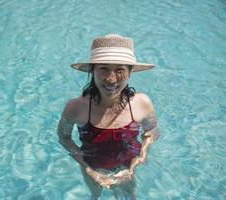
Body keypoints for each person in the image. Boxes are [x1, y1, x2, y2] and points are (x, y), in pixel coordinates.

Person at [57, 34, 160, 199]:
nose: (111, 79)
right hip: (92, 166)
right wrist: (89, 170)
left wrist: (138, 161)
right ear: (92, 71)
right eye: (103, 68)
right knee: (95, 196)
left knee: (129, 196)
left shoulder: (141, 103)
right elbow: (64, 138)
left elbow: (153, 131)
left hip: (128, 166)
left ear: (130, 72)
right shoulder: (76, 107)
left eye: (119, 69)